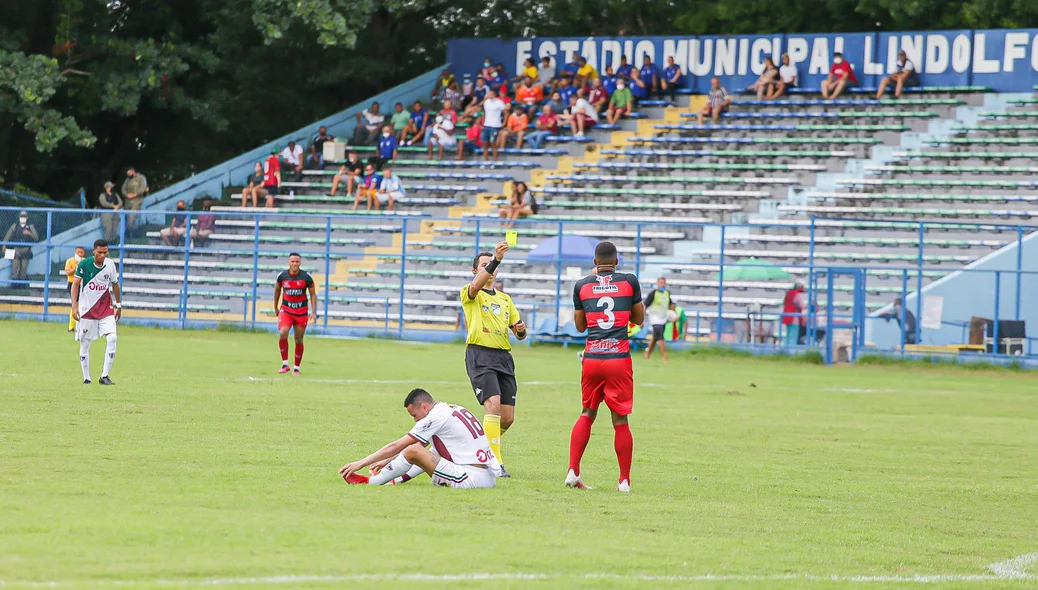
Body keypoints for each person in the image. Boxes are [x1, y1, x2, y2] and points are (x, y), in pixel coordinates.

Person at [567, 241, 645, 492]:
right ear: (617, 261)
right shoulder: (629, 281)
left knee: (587, 412)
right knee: (620, 419)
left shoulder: (581, 285)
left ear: (594, 261)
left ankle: (572, 470)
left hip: (591, 358)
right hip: (618, 358)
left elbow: (579, 327)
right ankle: (623, 480)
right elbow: (639, 319)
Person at [338, 388, 503, 488]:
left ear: (424, 406)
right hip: (487, 478)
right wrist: (387, 463)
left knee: (413, 450)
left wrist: (360, 463)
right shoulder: (449, 409)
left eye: (414, 415)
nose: (415, 420)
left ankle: (369, 483)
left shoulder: (435, 417)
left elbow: (397, 446)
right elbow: (425, 453)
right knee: (422, 450)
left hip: (470, 479)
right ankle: (393, 481)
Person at [461, 242, 527, 477]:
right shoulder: (471, 293)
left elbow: (520, 334)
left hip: (504, 357)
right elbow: (477, 285)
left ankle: (477, 448)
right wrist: (496, 259)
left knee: (507, 418)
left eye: (492, 265)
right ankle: (494, 464)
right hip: (480, 354)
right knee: (493, 405)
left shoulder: (505, 299)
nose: (489, 269)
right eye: (484, 265)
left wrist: (520, 329)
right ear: (474, 271)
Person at [71, 239, 121, 385]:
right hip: (87, 310)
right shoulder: (84, 264)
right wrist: (74, 306)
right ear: (93, 251)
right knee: (85, 343)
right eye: (99, 252)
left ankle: (104, 376)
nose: (102, 255)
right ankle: (86, 377)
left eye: (105, 253)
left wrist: (118, 305)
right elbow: (75, 285)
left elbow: (115, 285)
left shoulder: (110, 264)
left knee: (112, 338)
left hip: (106, 308)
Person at [274, 253, 317, 375]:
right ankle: (285, 364)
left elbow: (313, 294)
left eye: (297, 262)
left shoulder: (306, 277)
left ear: (300, 263)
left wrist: (313, 312)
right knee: (283, 332)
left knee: (298, 339)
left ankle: (296, 368)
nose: (294, 264)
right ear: (289, 262)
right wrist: (276, 307)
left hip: (301, 312)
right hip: (286, 310)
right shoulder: (282, 276)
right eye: (292, 261)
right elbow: (277, 290)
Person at [642, 276, 671, 361]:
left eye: (664, 283)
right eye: (661, 283)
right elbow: (645, 305)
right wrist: (642, 318)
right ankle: (664, 356)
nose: (662, 284)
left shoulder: (667, 293)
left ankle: (647, 353)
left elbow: (671, 305)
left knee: (656, 337)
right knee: (661, 336)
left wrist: (674, 316)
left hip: (663, 318)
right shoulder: (653, 293)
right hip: (655, 318)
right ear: (657, 284)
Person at [62, 246, 86, 331]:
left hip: (82, 284)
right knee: (75, 304)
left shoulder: (85, 261)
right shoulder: (70, 261)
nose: (79, 254)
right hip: (72, 284)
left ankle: (80, 326)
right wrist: (76, 269)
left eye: (81, 252)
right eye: (78, 252)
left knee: (82, 305)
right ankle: (71, 326)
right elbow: (68, 272)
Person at [480, 89, 507, 162]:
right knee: (484, 143)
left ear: (495, 95)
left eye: (491, 94)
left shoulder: (499, 102)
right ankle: (486, 160)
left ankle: (495, 161)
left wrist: (504, 122)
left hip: (495, 126)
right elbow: (485, 113)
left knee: (493, 143)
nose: (490, 96)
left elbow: (505, 112)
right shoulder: (486, 102)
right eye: (489, 94)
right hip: (486, 126)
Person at [121, 167, 148, 232]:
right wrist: (126, 194)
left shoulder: (141, 178)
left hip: (136, 202)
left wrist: (135, 194)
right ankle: (133, 233)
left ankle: (135, 232)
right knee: (127, 219)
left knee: (131, 219)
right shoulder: (127, 179)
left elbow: (143, 188)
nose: (128, 174)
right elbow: (123, 188)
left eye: (129, 172)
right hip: (127, 203)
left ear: (133, 171)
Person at [781, 279, 806, 347]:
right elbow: (802, 305)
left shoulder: (789, 293)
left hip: (787, 316)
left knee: (788, 336)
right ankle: (791, 352)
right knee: (793, 337)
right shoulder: (797, 295)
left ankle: (783, 351)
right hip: (793, 318)